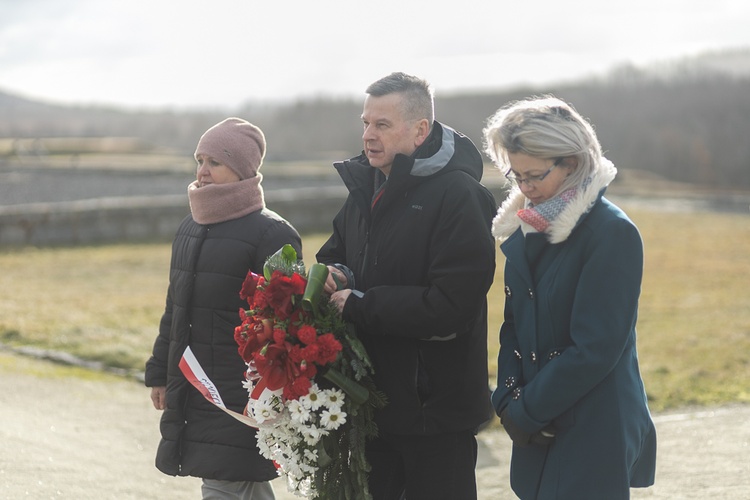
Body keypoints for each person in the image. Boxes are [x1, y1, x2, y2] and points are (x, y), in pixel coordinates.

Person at [316, 72, 497, 500]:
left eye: (382, 125)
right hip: (372, 409)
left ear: (420, 130)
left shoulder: (461, 196)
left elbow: (451, 307)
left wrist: (359, 304)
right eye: (365, 123)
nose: (368, 136)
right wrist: (336, 275)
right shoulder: (366, 186)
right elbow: (335, 254)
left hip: (433, 417)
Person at [483, 96, 657, 499]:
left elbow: (595, 348)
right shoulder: (527, 226)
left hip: (592, 425)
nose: (525, 189)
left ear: (573, 163)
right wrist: (507, 397)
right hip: (537, 424)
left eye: (535, 176)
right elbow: (513, 327)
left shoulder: (612, 233)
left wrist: (526, 411)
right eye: (516, 176)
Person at [145, 118, 302, 500]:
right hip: (193, 385)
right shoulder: (189, 228)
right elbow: (176, 309)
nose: (202, 171)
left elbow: (291, 324)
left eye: (214, 162)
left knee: (228, 480)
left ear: (244, 169)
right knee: (230, 481)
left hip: (242, 393)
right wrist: (159, 372)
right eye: (199, 159)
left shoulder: (274, 234)